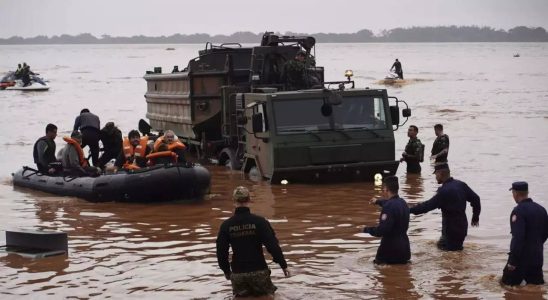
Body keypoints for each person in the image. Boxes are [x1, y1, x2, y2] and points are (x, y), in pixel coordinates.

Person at [216, 186, 290, 298]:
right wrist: (283, 265)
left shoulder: (226, 225)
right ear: (249, 200)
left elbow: (221, 252)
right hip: (259, 271)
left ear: (234, 201)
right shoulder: (260, 222)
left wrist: (226, 271)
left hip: (238, 274)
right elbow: (273, 246)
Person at [410, 163, 481, 251]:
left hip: (451, 230)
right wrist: (475, 217)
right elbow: (476, 199)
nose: (435, 177)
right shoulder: (461, 185)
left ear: (440, 174)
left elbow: (427, 206)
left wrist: (409, 209)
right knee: (450, 252)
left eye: (436, 174)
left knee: (450, 255)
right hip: (462, 227)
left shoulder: (443, 191)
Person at [501, 181, 548, 286]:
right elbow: (545, 233)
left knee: (506, 287)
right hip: (537, 257)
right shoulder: (541, 209)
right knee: (536, 288)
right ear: (527, 192)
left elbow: (518, 238)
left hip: (520, 259)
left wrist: (512, 262)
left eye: (512, 192)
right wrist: (536, 245)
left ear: (515, 193)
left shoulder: (518, 211)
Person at [364, 176, 411, 264]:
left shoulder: (388, 206)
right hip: (405, 250)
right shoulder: (403, 203)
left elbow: (382, 230)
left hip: (389, 252)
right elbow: (391, 203)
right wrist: (377, 201)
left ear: (386, 189)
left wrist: (366, 230)